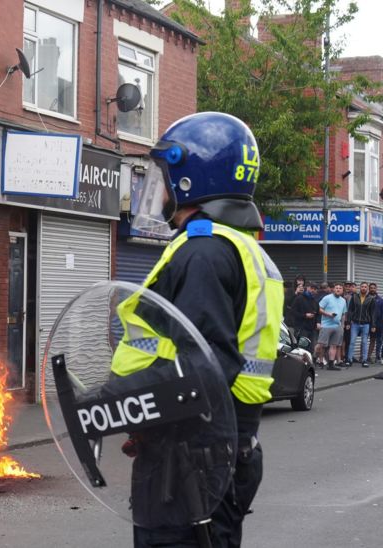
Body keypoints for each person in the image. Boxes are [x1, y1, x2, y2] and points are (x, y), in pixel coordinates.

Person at [123, 112, 283, 547]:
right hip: (217, 447)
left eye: (166, 174)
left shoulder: (203, 253)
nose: (160, 188)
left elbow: (201, 365)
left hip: (189, 462)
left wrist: (115, 402)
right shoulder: (239, 247)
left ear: (192, 178)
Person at [318, 283, 348, 370]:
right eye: (336, 288)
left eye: (340, 288)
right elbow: (319, 309)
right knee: (322, 345)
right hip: (326, 325)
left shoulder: (343, 300)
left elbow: (343, 314)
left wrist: (342, 325)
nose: (338, 289)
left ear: (342, 290)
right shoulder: (327, 298)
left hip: (337, 326)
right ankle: (319, 361)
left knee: (334, 345)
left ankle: (331, 364)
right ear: (333, 289)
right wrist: (328, 314)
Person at [346, 282, 376, 367]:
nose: (363, 288)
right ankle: (349, 359)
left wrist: (373, 325)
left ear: (367, 289)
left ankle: (364, 360)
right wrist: (348, 322)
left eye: (365, 287)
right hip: (355, 323)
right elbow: (350, 310)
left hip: (366, 324)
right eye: (362, 286)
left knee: (364, 342)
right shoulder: (354, 297)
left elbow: (373, 313)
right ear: (360, 288)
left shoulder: (371, 299)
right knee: (352, 342)